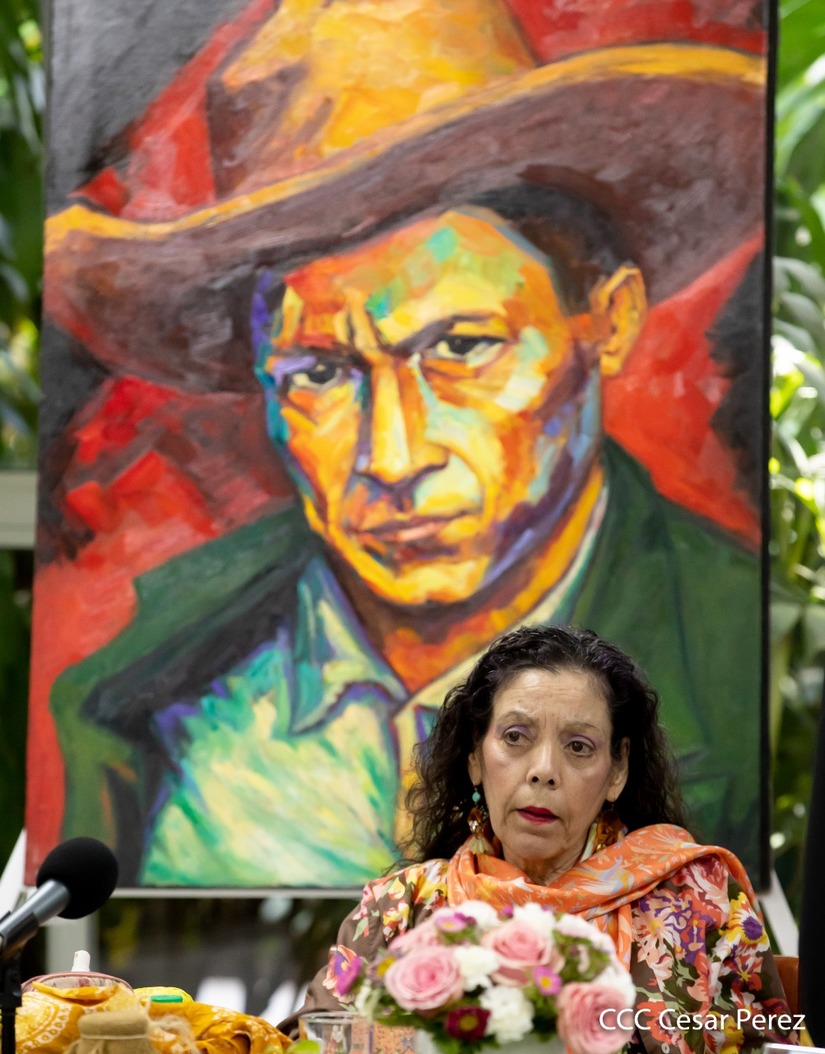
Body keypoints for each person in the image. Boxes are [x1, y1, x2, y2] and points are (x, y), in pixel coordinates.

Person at [39, 0, 767, 887]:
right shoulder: (151, 687)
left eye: (459, 347)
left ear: (605, 321)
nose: (392, 457)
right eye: (318, 372)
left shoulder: (724, 645)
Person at [288, 625, 797, 1054]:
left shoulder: (696, 895)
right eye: (515, 737)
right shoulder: (401, 907)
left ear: (617, 770)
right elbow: (313, 1041)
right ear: (474, 757)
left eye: (579, 746)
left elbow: (768, 1046)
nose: (544, 770)